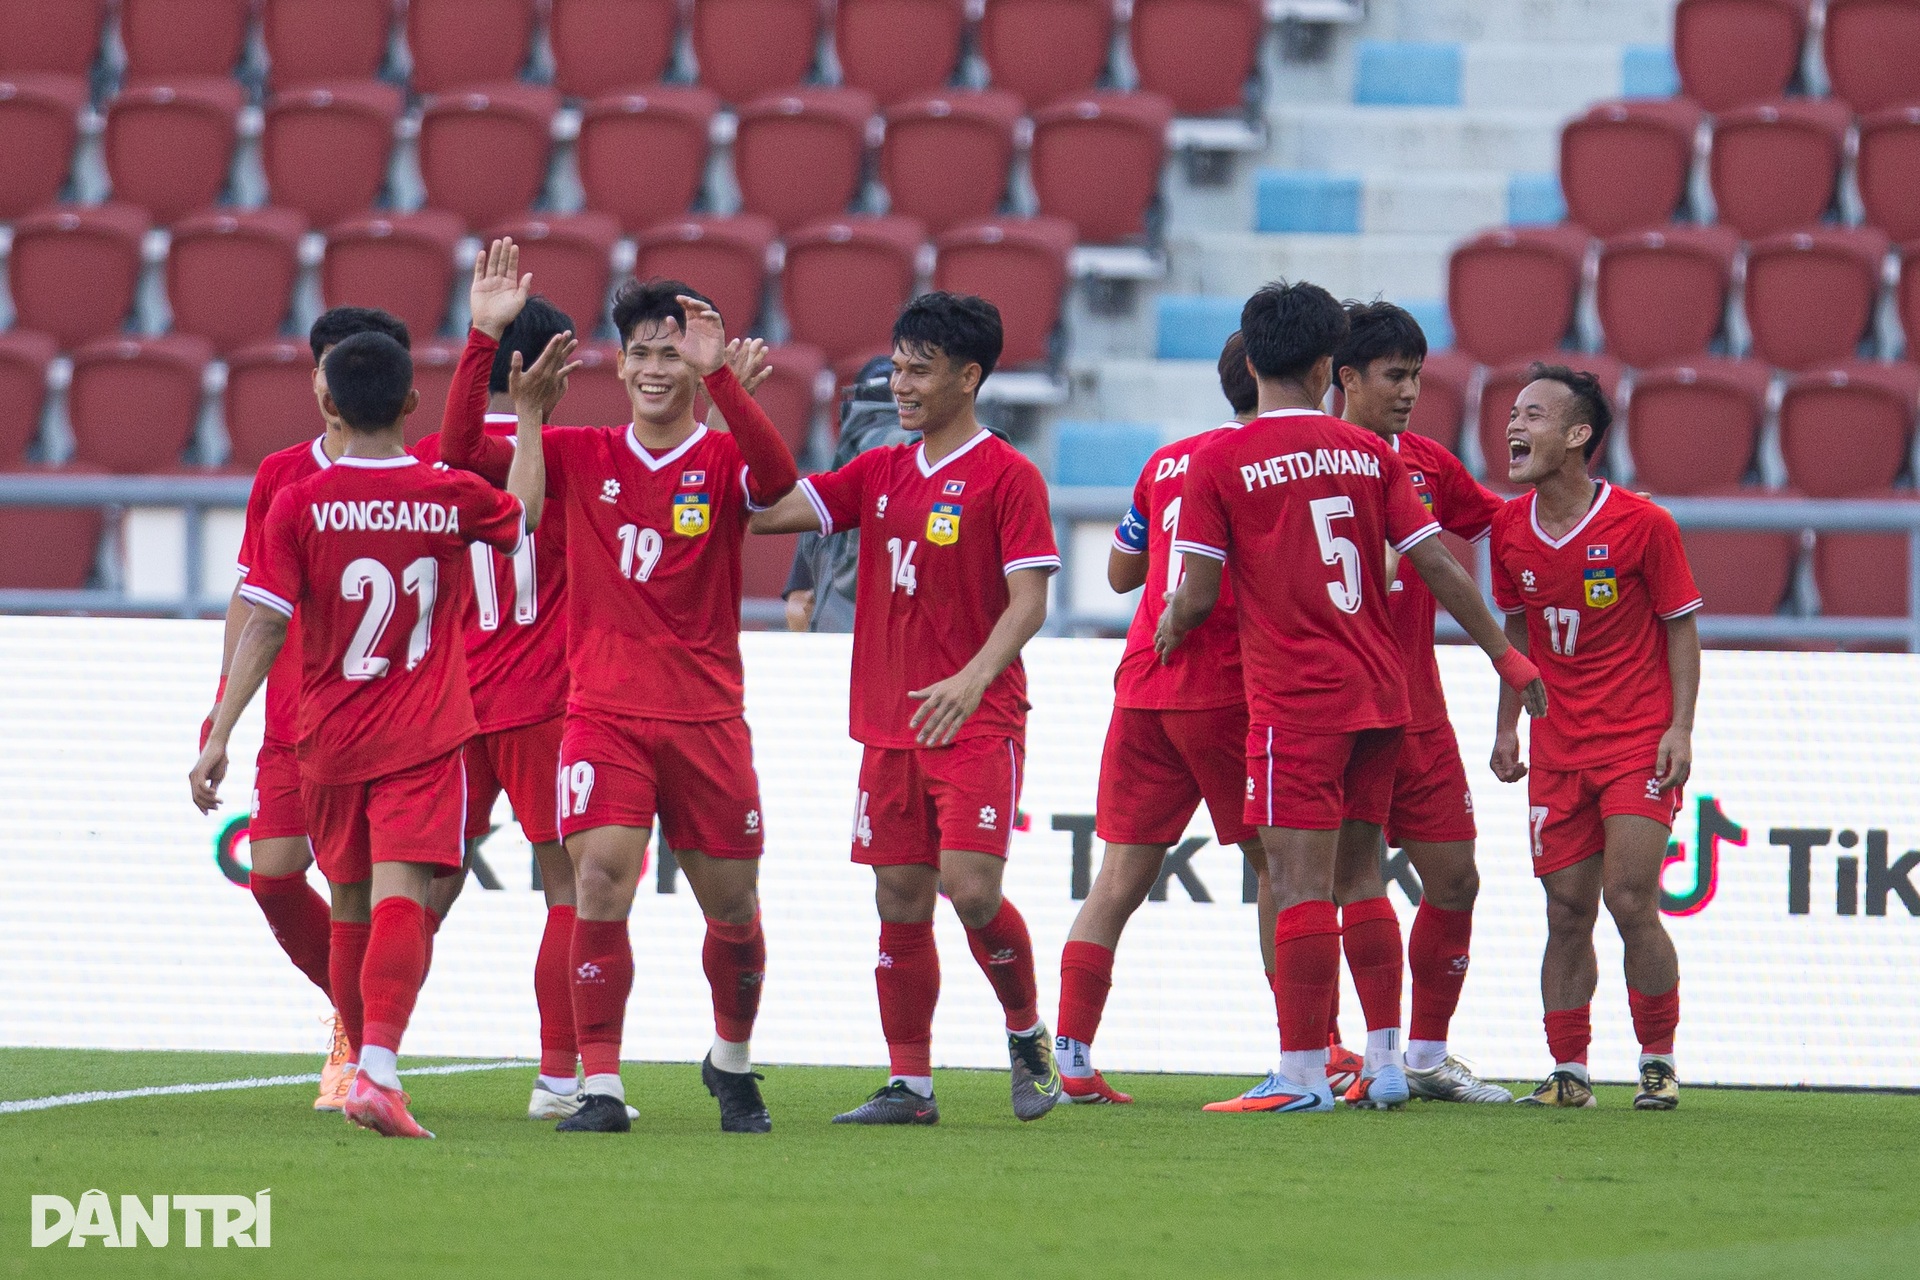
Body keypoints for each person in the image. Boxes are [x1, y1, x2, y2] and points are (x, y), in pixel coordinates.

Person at [1157, 280, 1546, 1115]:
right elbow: (1440, 560)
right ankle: (1388, 1061)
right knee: (1363, 880)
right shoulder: (1371, 457)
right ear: (1333, 366)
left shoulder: (1219, 458)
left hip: (1299, 698)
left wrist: (1172, 626)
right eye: (1394, 374)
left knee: (1300, 886)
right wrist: (1507, 658)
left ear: (1252, 358)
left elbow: (1193, 593)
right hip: (1383, 695)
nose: (1407, 391)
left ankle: (1300, 1075)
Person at [191, 323, 573, 1138]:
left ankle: (360, 1060)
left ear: (328, 399)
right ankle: (378, 1072)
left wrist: (220, 731)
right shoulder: (444, 490)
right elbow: (527, 515)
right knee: (404, 896)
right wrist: (533, 420)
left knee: (352, 901)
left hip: (323, 734)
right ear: (409, 401)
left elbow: (262, 623)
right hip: (419, 731)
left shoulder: (298, 500)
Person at [439, 275, 798, 1135]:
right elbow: (457, 453)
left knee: (734, 913)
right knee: (599, 879)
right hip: (601, 713)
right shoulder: (581, 453)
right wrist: (484, 342)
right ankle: (597, 1086)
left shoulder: (717, 459)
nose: (651, 367)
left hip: (706, 719)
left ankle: (732, 1062)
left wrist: (726, 391)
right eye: (640, 351)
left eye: (670, 352)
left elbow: (779, 479)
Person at [750, 293, 1064, 1125]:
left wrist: (970, 678)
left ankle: (1029, 1035)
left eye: (919, 368)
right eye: (896, 365)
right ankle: (911, 1084)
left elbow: (1029, 600)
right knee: (898, 897)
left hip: (976, 720)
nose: (900, 383)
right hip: (889, 724)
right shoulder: (880, 469)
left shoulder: (1009, 474)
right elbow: (770, 513)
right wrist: (729, 398)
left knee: (970, 888)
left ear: (968, 377)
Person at [1053, 331, 1277, 1106]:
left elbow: (1120, 573)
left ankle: (1072, 1057)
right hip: (1226, 687)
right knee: (1282, 868)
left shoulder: (1169, 461)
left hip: (1143, 683)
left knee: (1117, 876)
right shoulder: (1282, 464)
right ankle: (1307, 1051)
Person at [204, 305, 414, 1113]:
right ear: (316, 375)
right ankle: (351, 1010)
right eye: (325, 366)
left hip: (393, 723)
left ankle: (360, 1041)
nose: (332, 384)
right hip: (294, 717)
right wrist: (222, 708)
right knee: (273, 875)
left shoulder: (419, 476)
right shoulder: (281, 475)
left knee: (372, 887)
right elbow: (252, 601)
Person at [1490, 364, 1701, 1111]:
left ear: (1579, 435)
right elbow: (1515, 623)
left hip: (1635, 742)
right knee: (1565, 910)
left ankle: (1658, 1058)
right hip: (1556, 745)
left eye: (1534, 415)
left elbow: (1681, 627)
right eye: (1513, 414)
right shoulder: (1507, 530)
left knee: (1630, 897)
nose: (1514, 426)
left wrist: (1679, 726)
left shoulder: (1646, 525)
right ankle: (1570, 1069)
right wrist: (1508, 721)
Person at [1324, 301, 1513, 1104]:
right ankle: (1356, 1055)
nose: (1409, 391)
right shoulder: (1312, 461)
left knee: (1456, 880)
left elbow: (1508, 526)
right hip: (1336, 708)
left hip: (1420, 709)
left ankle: (1426, 1058)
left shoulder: (1430, 464)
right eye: (1394, 376)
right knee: (1335, 883)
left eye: (1416, 376)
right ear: (1346, 378)